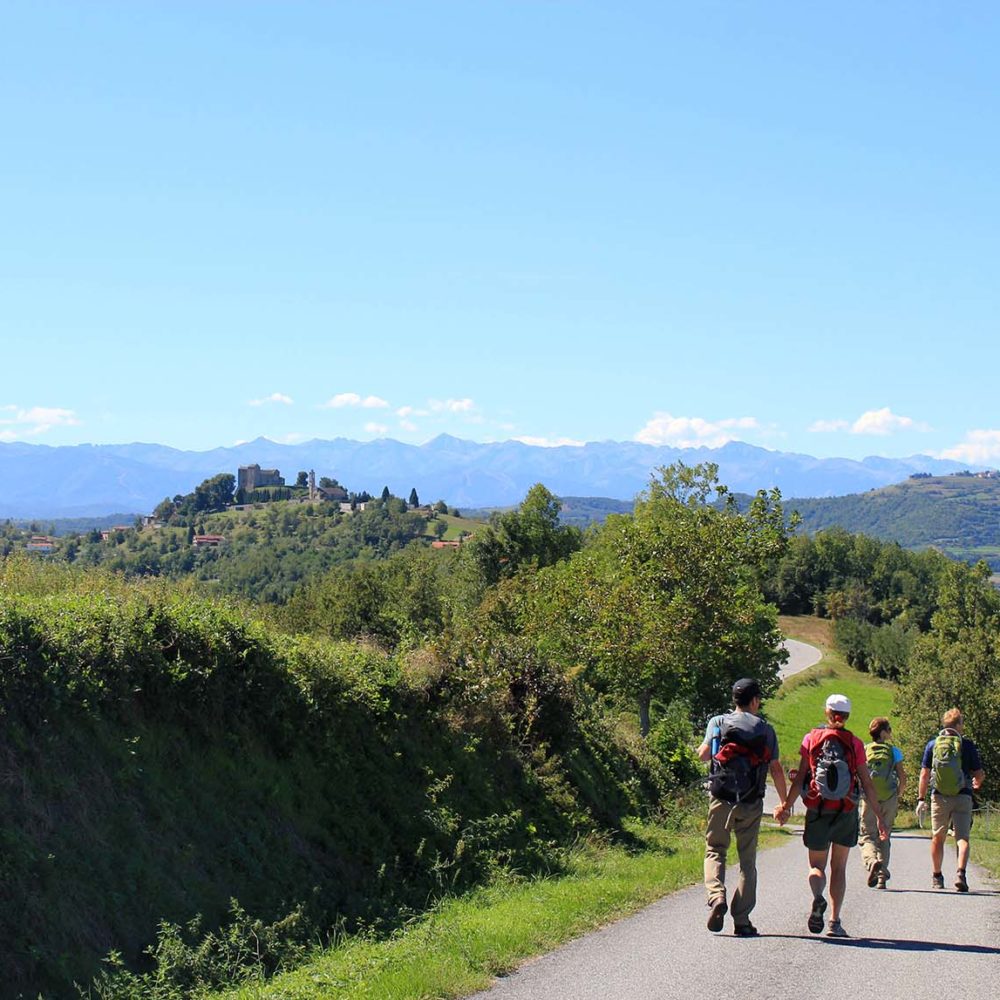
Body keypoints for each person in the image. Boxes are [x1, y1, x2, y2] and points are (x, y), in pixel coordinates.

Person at [775, 694, 887, 938]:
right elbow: (866, 782)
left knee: (817, 866)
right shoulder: (855, 743)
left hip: (817, 809)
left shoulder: (811, 738)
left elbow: (802, 776)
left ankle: (818, 897)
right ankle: (834, 923)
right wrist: (879, 815)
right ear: (847, 716)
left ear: (827, 712)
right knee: (839, 867)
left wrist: (786, 806)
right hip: (845, 810)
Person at [698, 677, 788, 937]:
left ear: (734, 699)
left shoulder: (718, 722)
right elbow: (776, 768)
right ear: (755, 701)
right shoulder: (766, 730)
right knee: (747, 861)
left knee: (715, 850)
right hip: (750, 800)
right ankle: (742, 920)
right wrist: (783, 803)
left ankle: (716, 897)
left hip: (721, 797)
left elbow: (704, 754)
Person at [916, 708, 985, 892]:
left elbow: (924, 774)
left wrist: (921, 798)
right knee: (962, 838)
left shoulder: (932, 745)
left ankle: (937, 876)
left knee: (938, 837)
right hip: (963, 796)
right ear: (958, 725)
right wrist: (977, 783)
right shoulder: (967, 745)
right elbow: (979, 774)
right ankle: (961, 873)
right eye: (962, 722)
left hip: (939, 796)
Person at [858, 717, 906, 889]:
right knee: (885, 836)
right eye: (889, 729)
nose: (891, 732)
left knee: (867, 835)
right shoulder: (894, 751)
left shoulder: (864, 750)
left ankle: (871, 862)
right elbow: (902, 777)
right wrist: (896, 795)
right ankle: (881, 877)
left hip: (869, 799)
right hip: (889, 798)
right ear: (884, 732)